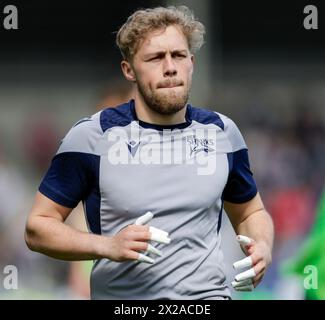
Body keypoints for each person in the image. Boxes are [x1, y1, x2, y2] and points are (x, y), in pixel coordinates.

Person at [25, 6, 274, 300]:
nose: (170, 67)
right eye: (156, 57)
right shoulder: (92, 136)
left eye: (179, 55)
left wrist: (262, 246)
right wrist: (107, 246)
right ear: (129, 70)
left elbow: (250, 211)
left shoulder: (223, 132)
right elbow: (37, 228)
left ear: (191, 63)